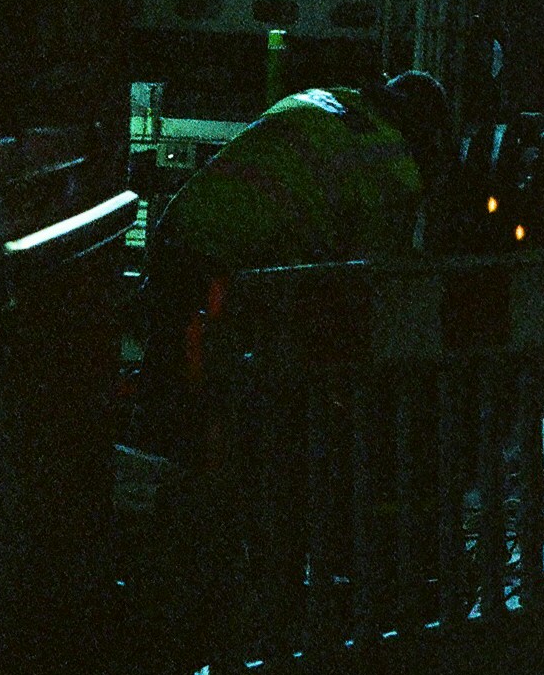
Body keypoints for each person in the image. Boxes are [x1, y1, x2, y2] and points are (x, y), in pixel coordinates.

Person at [132, 70, 452, 447]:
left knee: (168, 365)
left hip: (183, 223)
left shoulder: (325, 96)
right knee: (231, 395)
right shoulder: (396, 168)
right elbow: (372, 285)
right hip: (240, 260)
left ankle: (149, 464)